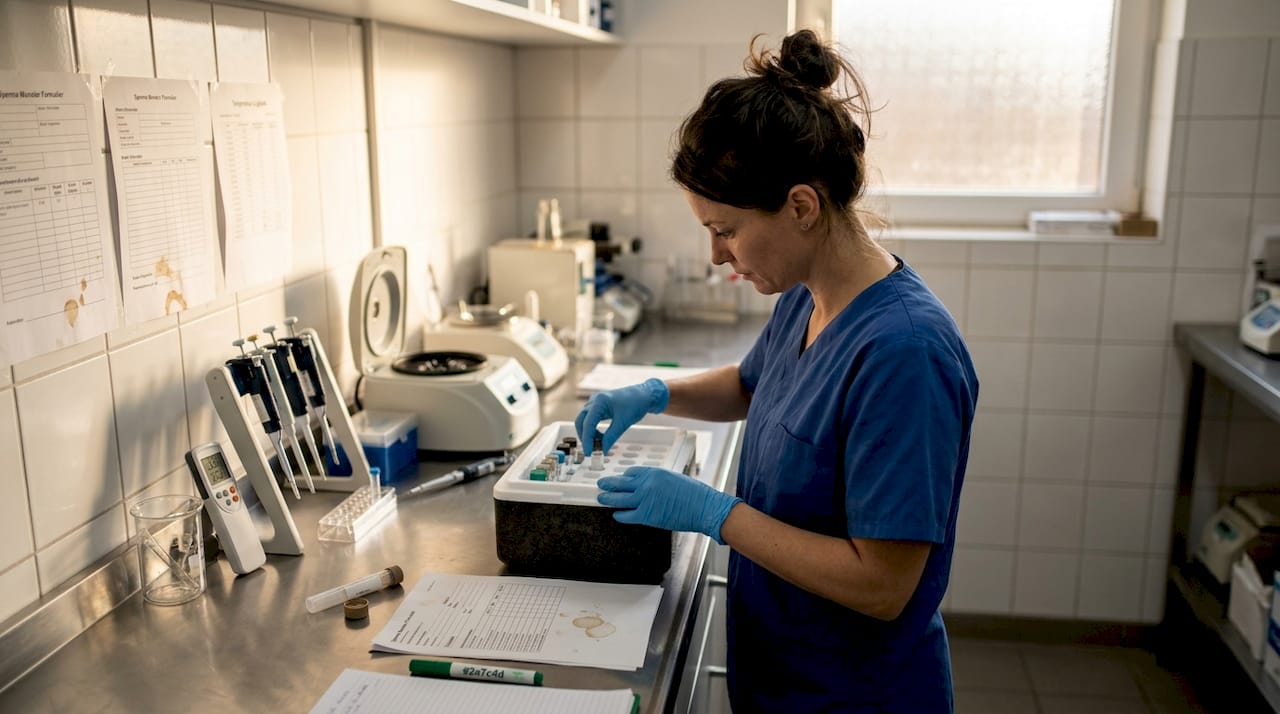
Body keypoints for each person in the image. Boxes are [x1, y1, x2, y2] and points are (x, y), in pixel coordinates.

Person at [574, 29, 978, 713]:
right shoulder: (807, 294)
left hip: (855, 697)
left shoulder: (906, 353)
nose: (715, 255)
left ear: (801, 206)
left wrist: (713, 513)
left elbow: (883, 586)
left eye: (726, 230)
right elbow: (752, 384)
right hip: (778, 679)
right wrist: (654, 392)